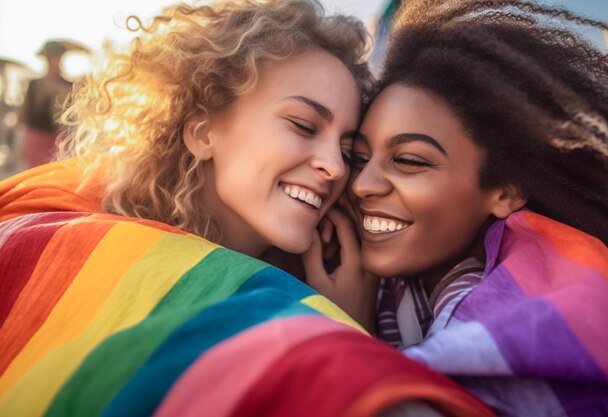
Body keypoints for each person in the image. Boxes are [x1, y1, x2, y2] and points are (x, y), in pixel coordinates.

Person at [0, 1, 496, 416]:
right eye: (304, 126)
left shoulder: (357, 281)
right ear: (201, 130)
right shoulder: (70, 232)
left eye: (347, 148)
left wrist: (349, 320)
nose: (335, 168)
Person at [304, 0, 608, 415]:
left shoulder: (534, 321)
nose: (362, 185)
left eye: (410, 161)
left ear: (505, 192)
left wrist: (349, 330)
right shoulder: (365, 271)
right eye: (360, 158)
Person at [18, 41, 73, 169]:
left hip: (58, 139)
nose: (54, 60)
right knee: (34, 173)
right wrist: (20, 141)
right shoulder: (34, 84)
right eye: (51, 57)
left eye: (57, 56)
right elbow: (24, 114)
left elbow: (71, 116)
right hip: (35, 136)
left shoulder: (67, 85)